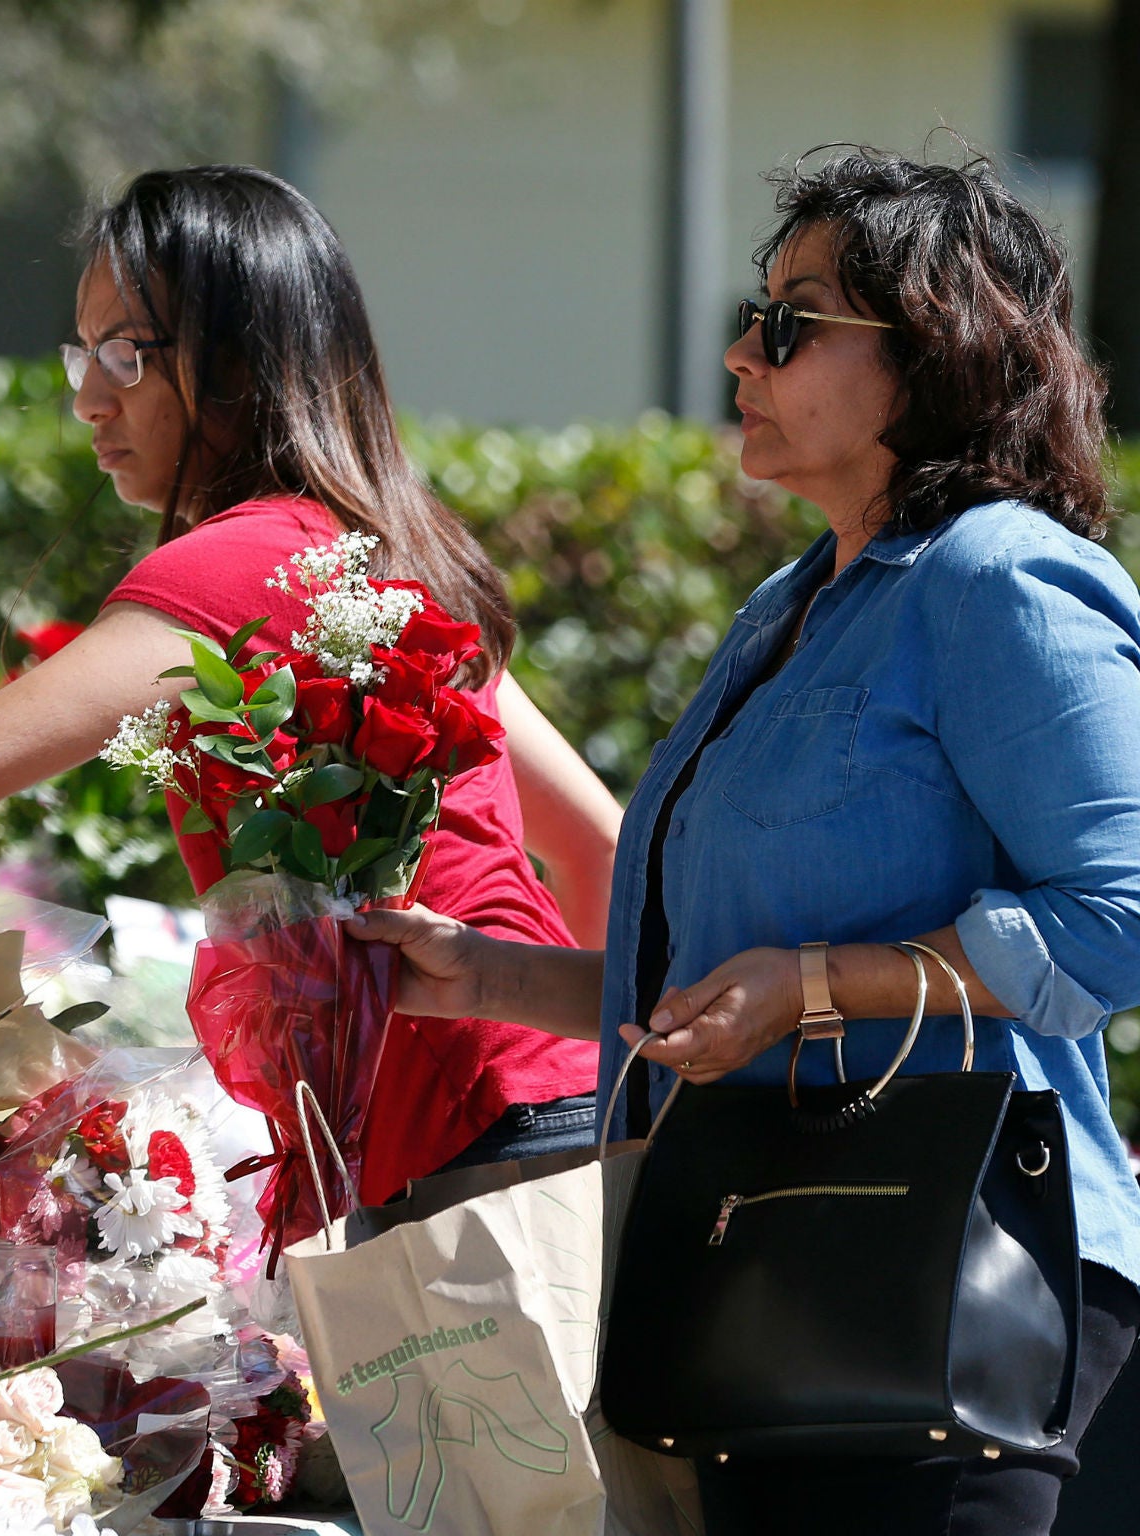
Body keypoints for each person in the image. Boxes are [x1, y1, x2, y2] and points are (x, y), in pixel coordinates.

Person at [349, 146, 1140, 1535]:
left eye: (791, 322)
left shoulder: (1000, 577)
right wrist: (482, 974)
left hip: (955, 1300)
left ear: (935, 350)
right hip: (766, 1285)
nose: (739, 354)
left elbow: (1124, 916)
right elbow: (716, 974)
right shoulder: (789, 605)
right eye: (751, 312)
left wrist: (822, 982)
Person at [0, 164, 620, 1204]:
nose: (86, 397)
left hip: (443, 1145)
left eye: (126, 353)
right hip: (549, 1105)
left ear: (236, 364)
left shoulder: (234, 561)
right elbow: (591, 848)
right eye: (81, 350)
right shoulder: (393, 547)